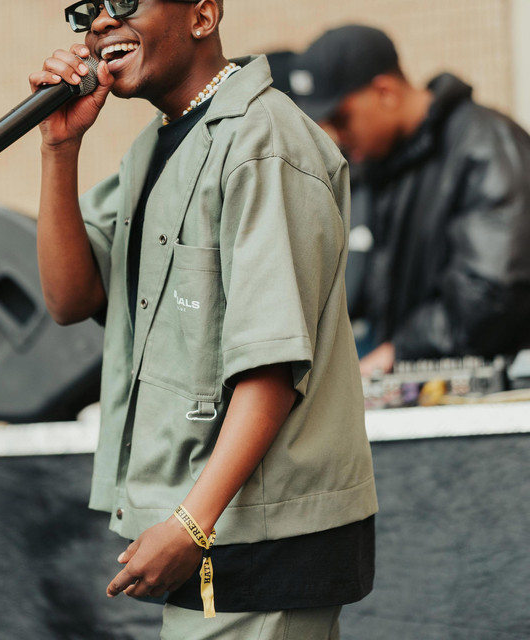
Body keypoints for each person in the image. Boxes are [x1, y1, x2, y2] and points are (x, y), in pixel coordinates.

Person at [31, 2, 377, 638]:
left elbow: (272, 364)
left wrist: (191, 523)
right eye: (89, 9)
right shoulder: (157, 147)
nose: (101, 22)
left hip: (256, 535)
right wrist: (59, 148)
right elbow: (69, 298)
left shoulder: (262, 142)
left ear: (202, 16)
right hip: (210, 525)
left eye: (125, 2)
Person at [289, 24, 530, 377]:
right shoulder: (386, 163)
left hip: (499, 394)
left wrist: (400, 350)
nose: (336, 136)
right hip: (426, 386)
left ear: (385, 92)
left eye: (341, 118)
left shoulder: (486, 145)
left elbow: (493, 292)